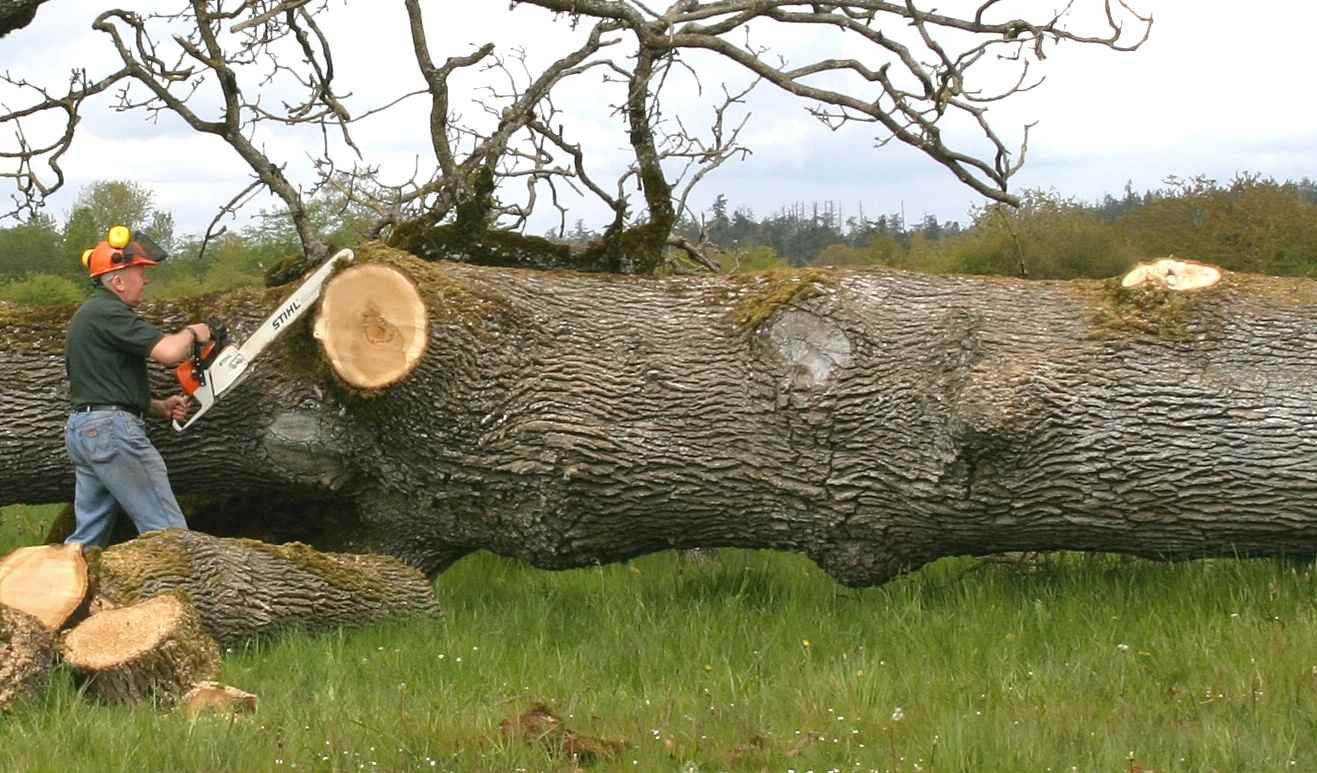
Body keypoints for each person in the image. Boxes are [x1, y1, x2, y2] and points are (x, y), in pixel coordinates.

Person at [63, 225, 213, 547]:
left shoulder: (88, 315)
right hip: (110, 433)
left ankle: (54, 590)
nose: (145, 280)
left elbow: (100, 383)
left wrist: (158, 407)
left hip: (84, 429)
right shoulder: (109, 312)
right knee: (168, 532)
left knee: (87, 540)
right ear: (117, 280)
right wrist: (194, 331)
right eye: (139, 272)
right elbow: (170, 353)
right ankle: (180, 588)